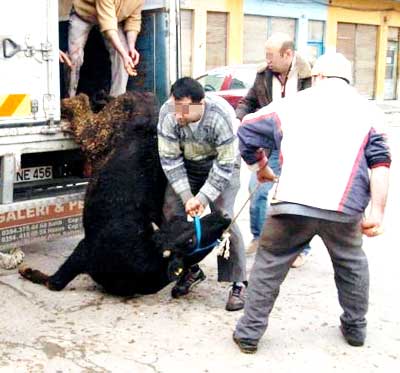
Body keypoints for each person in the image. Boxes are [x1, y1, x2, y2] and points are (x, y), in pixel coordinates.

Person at [232, 52, 391, 354]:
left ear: (317, 76)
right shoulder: (369, 112)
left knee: (269, 264)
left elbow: (247, 127)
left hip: (292, 204)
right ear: (348, 79)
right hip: (345, 209)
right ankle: (355, 329)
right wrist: (377, 212)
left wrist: (260, 166)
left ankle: (249, 333)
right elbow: (380, 163)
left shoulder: (294, 103)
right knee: (351, 265)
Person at [157, 77, 247, 312]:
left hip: (221, 164)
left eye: (185, 109)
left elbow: (226, 163)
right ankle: (190, 270)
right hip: (188, 164)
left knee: (224, 218)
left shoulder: (220, 116)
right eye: (177, 107)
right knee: (170, 212)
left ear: (201, 103)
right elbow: (170, 159)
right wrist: (187, 197)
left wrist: (204, 198)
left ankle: (237, 281)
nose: (179, 115)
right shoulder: (168, 112)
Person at [236, 32, 312, 267]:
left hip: (300, 144)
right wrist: (240, 119)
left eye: (271, 55)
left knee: (299, 197)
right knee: (256, 190)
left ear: (287, 54)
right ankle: (259, 237)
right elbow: (247, 102)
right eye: (266, 55)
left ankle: (302, 248)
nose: (267, 60)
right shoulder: (263, 75)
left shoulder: (311, 76)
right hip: (271, 144)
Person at [68, 0, 144, 97]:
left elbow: (134, 20)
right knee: (74, 57)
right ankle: (69, 99)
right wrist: (124, 55)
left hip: (112, 18)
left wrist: (131, 47)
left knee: (123, 55)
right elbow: (109, 27)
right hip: (84, 14)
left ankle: (116, 101)